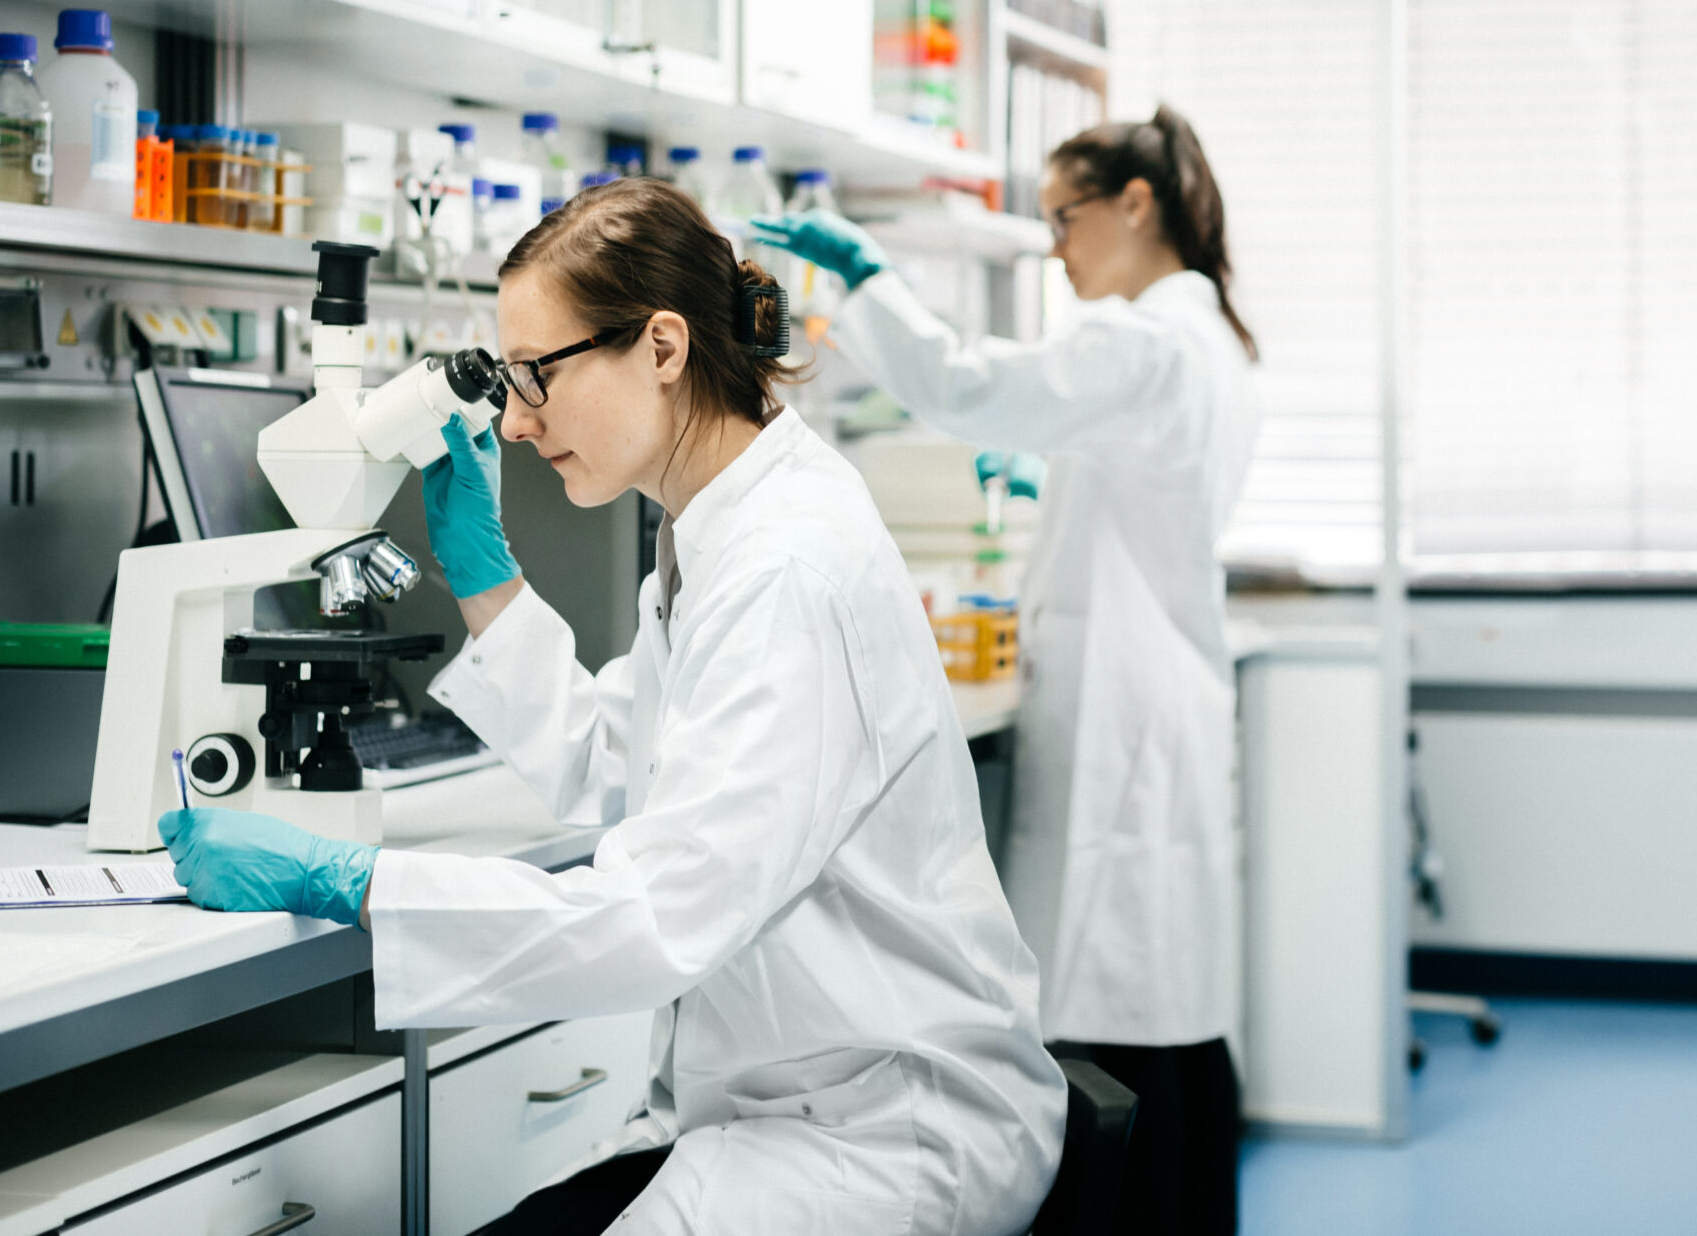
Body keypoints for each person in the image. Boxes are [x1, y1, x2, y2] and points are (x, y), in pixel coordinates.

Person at [158, 177, 1067, 1236]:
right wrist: (485, 578)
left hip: (884, 1134)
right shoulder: (719, 529)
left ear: (664, 348)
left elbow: (652, 916)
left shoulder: (784, 569)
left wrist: (355, 882)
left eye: (538, 374)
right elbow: (614, 762)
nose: (517, 417)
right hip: (789, 1103)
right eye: (506, 380)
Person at [754, 104, 1261, 1236]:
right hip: (1157, 686)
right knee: (1158, 998)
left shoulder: (1146, 339)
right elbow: (1123, 474)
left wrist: (872, 283)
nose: (1057, 246)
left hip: (1130, 709)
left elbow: (970, 384)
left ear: (1138, 205)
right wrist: (1053, 487)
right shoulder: (1203, 338)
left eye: (1065, 217)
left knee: (1120, 1002)